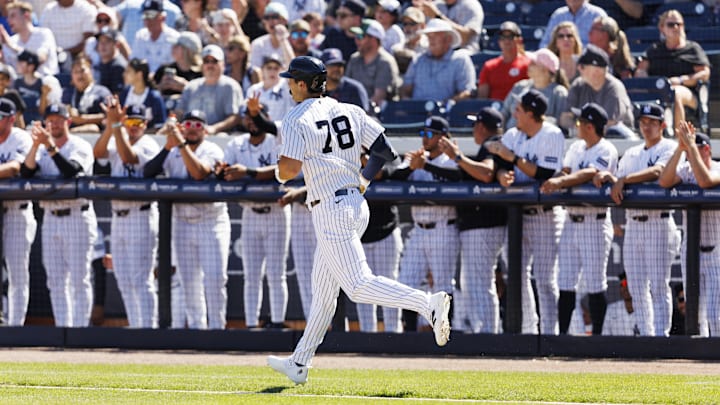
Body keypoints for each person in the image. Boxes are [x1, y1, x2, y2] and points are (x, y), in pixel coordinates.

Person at [268, 56, 451, 384]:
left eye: (291, 80)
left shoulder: (295, 117)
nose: (288, 85)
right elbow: (385, 151)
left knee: (356, 285)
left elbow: (289, 172)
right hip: (355, 202)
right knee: (324, 292)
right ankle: (299, 361)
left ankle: (428, 303)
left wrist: (277, 168)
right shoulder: (349, 109)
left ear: (301, 83)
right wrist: (363, 181)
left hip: (331, 208)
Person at [593, 102, 679, 337]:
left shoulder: (669, 146)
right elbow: (619, 181)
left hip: (658, 222)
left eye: (652, 122)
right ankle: (646, 334)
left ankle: (661, 336)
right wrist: (611, 177)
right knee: (637, 286)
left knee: (659, 285)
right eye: (643, 122)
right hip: (634, 224)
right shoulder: (631, 152)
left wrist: (624, 179)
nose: (647, 127)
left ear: (662, 125)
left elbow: (659, 172)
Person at [486, 89, 565, 335]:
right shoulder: (513, 134)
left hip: (545, 215)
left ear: (531, 114)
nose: (514, 114)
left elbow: (545, 173)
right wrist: (501, 172)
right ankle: (529, 329)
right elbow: (497, 161)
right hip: (518, 216)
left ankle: (550, 332)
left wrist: (514, 158)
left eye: (519, 110)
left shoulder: (552, 134)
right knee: (517, 275)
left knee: (545, 279)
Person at [143, 109, 231, 330]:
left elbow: (199, 173)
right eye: (188, 125)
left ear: (205, 130)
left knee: (215, 279)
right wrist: (167, 146)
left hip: (211, 221)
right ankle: (197, 328)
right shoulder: (172, 150)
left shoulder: (212, 148)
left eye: (198, 125)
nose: (192, 129)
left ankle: (217, 329)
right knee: (189, 281)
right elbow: (147, 172)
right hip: (182, 222)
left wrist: (180, 144)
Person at [540, 103, 618, 335]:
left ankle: (597, 338)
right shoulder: (575, 147)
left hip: (594, 221)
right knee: (565, 281)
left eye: (580, 122)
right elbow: (566, 170)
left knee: (595, 282)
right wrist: (562, 178)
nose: (576, 126)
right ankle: (563, 336)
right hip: (571, 220)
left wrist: (562, 182)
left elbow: (589, 173)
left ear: (590, 126)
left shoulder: (607, 148)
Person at [20, 103, 97, 327]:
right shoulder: (42, 147)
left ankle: (80, 330)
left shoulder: (80, 145)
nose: (53, 124)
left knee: (79, 278)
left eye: (58, 119)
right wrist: (35, 146)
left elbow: (71, 171)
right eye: (50, 120)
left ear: (68, 122)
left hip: (77, 215)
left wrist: (50, 147)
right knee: (55, 280)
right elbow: (26, 172)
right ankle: (63, 328)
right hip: (51, 217)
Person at [219, 94, 290, 329]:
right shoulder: (236, 144)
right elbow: (224, 170)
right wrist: (222, 170)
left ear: (265, 118)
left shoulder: (277, 139)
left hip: (276, 213)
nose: (251, 121)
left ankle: (278, 322)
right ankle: (251, 325)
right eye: (247, 117)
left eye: (255, 116)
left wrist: (248, 172)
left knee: (276, 273)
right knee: (251, 275)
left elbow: (281, 169)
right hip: (250, 213)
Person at [438, 107, 507, 334]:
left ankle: (489, 334)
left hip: (484, 224)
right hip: (480, 225)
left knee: (481, 283)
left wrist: (457, 157)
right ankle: (484, 332)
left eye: (474, 125)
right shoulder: (495, 145)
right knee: (475, 283)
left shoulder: (492, 144)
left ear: (480, 126)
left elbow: (486, 173)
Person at [388, 116, 459, 333]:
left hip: (443, 227)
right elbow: (393, 177)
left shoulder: (452, 159)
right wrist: (412, 167)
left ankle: (446, 334)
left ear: (443, 137)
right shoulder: (416, 157)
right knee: (406, 282)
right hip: (419, 229)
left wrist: (426, 166)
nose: (425, 139)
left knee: (443, 286)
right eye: (423, 133)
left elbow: (459, 177)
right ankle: (409, 334)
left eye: (430, 134)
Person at [93, 100, 160, 328]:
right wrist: (111, 125)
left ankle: (148, 329)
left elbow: (128, 157)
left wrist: (117, 128)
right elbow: (99, 152)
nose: (133, 126)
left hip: (140, 214)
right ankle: (135, 324)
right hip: (118, 215)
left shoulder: (149, 143)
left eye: (138, 122)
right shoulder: (116, 134)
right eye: (130, 121)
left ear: (145, 124)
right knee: (123, 279)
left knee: (141, 279)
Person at [658, 122, 720, 337]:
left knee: (715, 314)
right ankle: (697, 361)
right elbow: (664, 181)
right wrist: (680, 149)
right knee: (696, 314)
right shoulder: (686, 169)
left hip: (716, 252)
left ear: (708, 150)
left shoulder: (718, 168)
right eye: (694, 147)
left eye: (700, 148)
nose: (695, 150)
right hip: (690, 253)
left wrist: (691, 146)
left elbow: (705, 181)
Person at [635, 9, 711, 130]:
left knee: (674, 93)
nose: (675, 27)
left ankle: (678, 137)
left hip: (688, 92)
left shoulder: (692, 48)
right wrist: (645, 79)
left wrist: (681, 80)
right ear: (662, 28)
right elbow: (641, 70)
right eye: (671, 24)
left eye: (679, 24)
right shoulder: (654, 50)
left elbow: (705, 73)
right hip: (658, 91)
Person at [0, 98, 36, 326]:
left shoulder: (20, 137)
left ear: (11, 119)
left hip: (16, 211)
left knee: (17, 274)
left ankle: (16, 328)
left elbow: (15, 167)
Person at [560, 45, 635, 139]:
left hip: (618, 143)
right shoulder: (578, 84)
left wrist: (582, 130)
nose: (578, 69)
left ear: (597, 71)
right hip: (585, 140)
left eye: (582, 66)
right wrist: (578, 129)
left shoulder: (614, 88)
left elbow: (609, 125)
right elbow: (565, 118)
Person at [400, 19, 475, 103]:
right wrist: (407, 103)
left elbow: (467, 92)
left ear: (448, 39)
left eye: (435, 35)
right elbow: (406, 90)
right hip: (416, 112)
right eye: (429, 36)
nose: (431, 40)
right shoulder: (418, 60)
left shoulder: (460, 60)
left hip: (447, 113)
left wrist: (445, 106)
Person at [177, 44, 244, 135]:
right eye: (206, 61)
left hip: (218, 135)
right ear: (202, 65)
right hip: (190, 132)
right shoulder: (191, 86)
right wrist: (172, 122)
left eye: (214, 61)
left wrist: (214, 128)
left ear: (223, 65)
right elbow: (179, 112)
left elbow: (235, 117)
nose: (210, 65)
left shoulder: (230, 86)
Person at [502, 48, 568, 130]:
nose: (529, 65)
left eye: (533, 63)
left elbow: (560, 123)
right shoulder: (520, 86)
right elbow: (504, 113)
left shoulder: (559, 93)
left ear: (545, 69)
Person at [346, 19, 400, 108]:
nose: (356, 40)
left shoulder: (385, 62)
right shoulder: (354, 59)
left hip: (377, 116)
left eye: (360, 36)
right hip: (353, 111)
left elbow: (378, 98)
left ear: (374, 39)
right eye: (356, 36)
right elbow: (345, 89)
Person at [1, 0, 58, 76]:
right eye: (8, 17)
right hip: (19, 86)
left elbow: (39, 59)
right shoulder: (11, 41)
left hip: (46, 84)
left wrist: (12, 47)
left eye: (12, 16)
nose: (8, 20)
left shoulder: (44, 34)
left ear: (26, 15)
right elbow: (6, 70)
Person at [477, 21, 530, 101]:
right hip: (494, 109)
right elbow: (482, 99)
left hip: (517, 110)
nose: (506, 41)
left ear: (519, 40)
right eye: (503, 37)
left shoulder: (528, 65)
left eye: (510, 36)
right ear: (499, 41)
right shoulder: (489, 66)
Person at [61, 55, 112, 133]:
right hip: (70, 131)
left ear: (91, 71)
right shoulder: (67, 93)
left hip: (95, 133)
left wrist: (83, 119)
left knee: (92, 128)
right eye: (76, 72)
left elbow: (109, 115)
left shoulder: (102, 92)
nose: (79, 75)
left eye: (82, 70)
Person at [39, 0, 97, 66]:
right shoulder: (48, 9)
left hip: (78, 57)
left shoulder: (86, 8)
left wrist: (67, 52)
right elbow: (43, 36)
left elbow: (88, 39)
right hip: (52, 56)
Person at [412, 0, 484, 53]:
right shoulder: (436, 5)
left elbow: (464, 38)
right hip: (436, 50)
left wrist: (437, 16)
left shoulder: (471, 5)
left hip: (464, 51)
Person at [131, 0, 180, 74]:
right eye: (144, 15)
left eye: (151, 15)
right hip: (144, 82)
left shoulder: (174, 38)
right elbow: (134, 62)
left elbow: (175, 66)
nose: (147, 20)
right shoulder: (140, 36)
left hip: (165, 82)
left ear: (162, 18)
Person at [14, 49, 61, 126]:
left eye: (21, 62)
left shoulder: (44, 82)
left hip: (38, 123)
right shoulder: (17, 82)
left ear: (31, 66)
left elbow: (42, 111)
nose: (17, 64)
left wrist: (44, 95)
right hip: (20, 123)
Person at [154, 31, 204, 101]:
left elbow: (206, 97)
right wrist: (161, 87)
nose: (172, 48)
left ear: (187, 50)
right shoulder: (164, 69)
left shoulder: (201, 73)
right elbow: (149, 96)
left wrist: (186, 87)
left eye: (177, 46)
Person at [119, 58, 167, 129]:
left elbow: (160, 125)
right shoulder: (125, 93)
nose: (124, 74)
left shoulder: (154, 97)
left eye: (128, 71)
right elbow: (116, 122)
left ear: (139, 74)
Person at [244, 54, 295, 121]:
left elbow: (293, 68)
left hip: (280, 130)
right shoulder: (253, 89)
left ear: (282, 70)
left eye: (276, 68)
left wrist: (283, 43)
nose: (272, 71)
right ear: (262, 69)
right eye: (269, 68)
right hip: (260, 129)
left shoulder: (286, 86)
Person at [539, 0, 607, 49]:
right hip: (560, 62)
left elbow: (603, 46)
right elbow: (545, 44)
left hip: (588, 63)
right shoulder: (558, 15)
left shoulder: (597, 15)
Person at [321, 48, 369, 112]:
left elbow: (363, 116)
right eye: (332, 65)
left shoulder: (354, 89)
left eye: (339, 65)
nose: (336, 69)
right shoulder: (316, 91)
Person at [249, 2, 295, 70]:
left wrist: (283, 40)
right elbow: (255, 71)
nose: (270, 21)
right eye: (267, 18)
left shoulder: (295, 41)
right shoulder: (258, 44)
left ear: (284, 20)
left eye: (275, 17)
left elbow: (293, 68)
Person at [92, 28, 128, 96]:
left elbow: (117, 97)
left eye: (107, 41)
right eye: (100, 41)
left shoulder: (119, 66)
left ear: (116, 45)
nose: (103, 45)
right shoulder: (98, 64)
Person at [602, 271, 639, 336]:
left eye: (627, 284)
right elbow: (605, 336)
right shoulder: (611, 309)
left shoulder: (644, 310)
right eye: (622, 284)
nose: (625, 288)